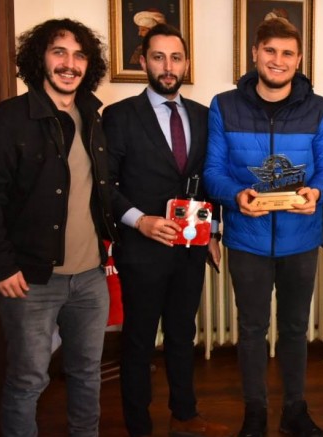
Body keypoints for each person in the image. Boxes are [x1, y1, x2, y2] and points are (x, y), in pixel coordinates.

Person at [0, 18, 117, 437]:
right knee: (28, 380)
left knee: (87, 374)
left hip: (90, 277)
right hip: (30, 281)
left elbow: (98, 191)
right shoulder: (5, 121)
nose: (70, 64)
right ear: (39, 59)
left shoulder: (92, 117)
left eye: (79, 55)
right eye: (58, 52)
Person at [203, 18, 323, 437]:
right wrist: (236, 196)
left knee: (296, 329)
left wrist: (317, 192)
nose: (278, 60)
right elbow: (212, 172)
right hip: (247, 240)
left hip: (302, 240)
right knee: (251, 329)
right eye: (270, 51)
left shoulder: (321, 109)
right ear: (255, 53)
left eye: (287, 53)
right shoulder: (223, 106)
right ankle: (255, 412)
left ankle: (294, 410)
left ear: (298, 60)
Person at [103, 23, 230, 437]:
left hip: (190, 249)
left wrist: (213, 233)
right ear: (143, 61)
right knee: (139, 342)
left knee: (182, 334)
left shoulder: (204, 116)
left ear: (186, 63)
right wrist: (139, 219)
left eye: (176, 58)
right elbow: (104, 185)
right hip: (142, 250)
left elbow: (211, 180)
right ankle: (138, 426)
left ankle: (184, 415)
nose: (168, 66)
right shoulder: (119, 116)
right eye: (158, 57)